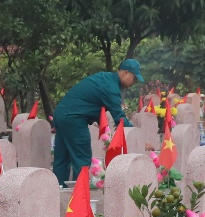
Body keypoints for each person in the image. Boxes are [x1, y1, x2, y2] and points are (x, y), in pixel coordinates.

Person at [52, 58, 143, 186]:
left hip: (61, 113)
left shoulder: (106, 78)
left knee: (62, 158)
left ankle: (59, 190)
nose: (134, 82)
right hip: (74, 118)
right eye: (134, 78)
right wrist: (138, 136)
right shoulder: (111, 88)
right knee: (82, 158)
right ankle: (81, 196)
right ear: (125, 73)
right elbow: (120, 119)